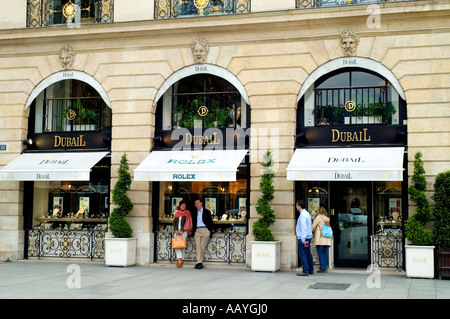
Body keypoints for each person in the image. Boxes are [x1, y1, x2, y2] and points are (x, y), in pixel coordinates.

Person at [192, 197, 214, 269]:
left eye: (198, 203)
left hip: (205, 230)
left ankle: (199, 262)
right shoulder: (194, 212)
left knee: (202, 247)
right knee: (198, 246)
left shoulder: (207, 211)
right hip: (197, 230)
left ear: (201, 203)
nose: (197, 204)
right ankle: (199, 262)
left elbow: (210, 222)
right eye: (195, 203)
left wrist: (209, 230)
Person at [295, 199, 314, 276]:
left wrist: (303, 239)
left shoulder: (302, 215)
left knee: (303, 254)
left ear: (299, 206)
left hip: (304, 238)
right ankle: (310, 269)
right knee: (308, 253)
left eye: (296, 205)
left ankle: (305, 270)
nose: (296, 206)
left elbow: (304, 228)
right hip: (308, 237)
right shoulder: (307, 214)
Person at [312, 205, 332, 273]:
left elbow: (313, 226)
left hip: (320, 238)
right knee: (325, 252)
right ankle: (325, 266)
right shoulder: (327, 218)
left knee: (320, 253)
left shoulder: (318, 217)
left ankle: (322, 267)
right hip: (326, 238)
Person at [173, 200, 192, 268]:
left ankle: (180, 260)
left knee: (182, 245)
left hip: (184, 231)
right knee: (176, 245)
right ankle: (180, 259)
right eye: (182, 205)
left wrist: (182, 230)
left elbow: (188, 223)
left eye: (185, 205)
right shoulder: (177, 213)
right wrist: (175, 230)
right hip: (177, 231)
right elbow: (174, 222)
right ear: (180, 206)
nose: (184, 206)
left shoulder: (187, 213)